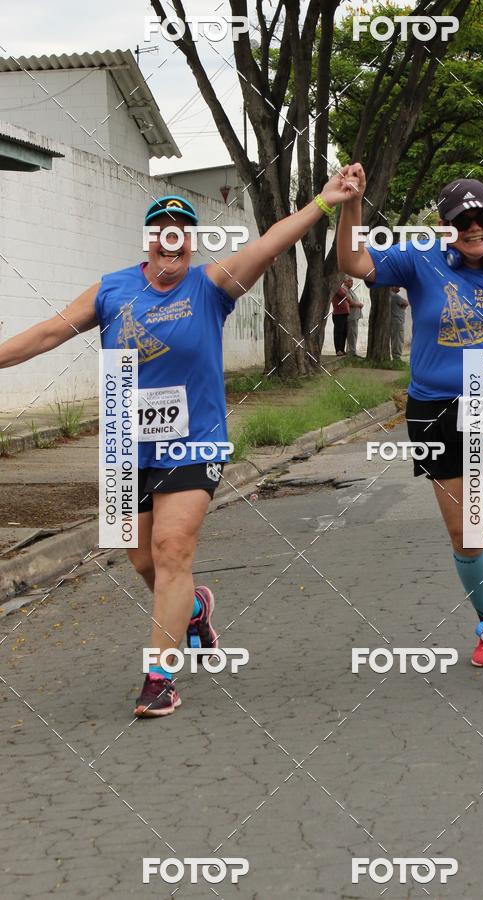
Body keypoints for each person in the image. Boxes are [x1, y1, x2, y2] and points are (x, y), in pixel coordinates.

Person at [0, 178, 355, 717]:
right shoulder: (111, 290)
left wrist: (325, 202)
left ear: (192, 241)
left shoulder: (210, 286)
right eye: (162, 231)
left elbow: (270, 244)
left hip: (194, 442)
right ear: (148, 241)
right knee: (141, 558)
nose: (172, 240)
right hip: (125, 448)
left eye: (182, 232)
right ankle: (193, 610)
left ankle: (159, 678)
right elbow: (50, 333)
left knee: (170, 550)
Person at [338, 166, 483, 681]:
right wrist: (352, 203)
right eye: (461, 221)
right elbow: (354, 261)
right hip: (437, 409)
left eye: (482, 218)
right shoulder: (419, 259)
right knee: (467, 532)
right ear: (445, 227)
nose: (473, 228)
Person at [344, 276, 364, 356]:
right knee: (352, 334)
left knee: (353, 334)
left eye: (352, 281)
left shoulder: (350, 290)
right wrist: (359, 304)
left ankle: (351, 351)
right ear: (345, 282)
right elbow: (350, 303)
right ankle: (352, 352)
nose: (352, 282)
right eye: (350, 281)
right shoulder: (345, 290)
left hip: (355, 316)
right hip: (351, 316)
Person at [331, 280, 350, 355]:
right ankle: (338, 350)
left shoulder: (341, 288)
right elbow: (345, 295)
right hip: (338, 314)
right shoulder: (337, 288)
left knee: (344, 332)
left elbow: (347, 296)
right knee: (339, 332)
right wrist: (347, 295)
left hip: (344, 314)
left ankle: (342, 349)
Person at [390, 286, 409, 359]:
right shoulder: (395, 296)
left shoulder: (390, 295)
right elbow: (406, 303)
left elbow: (404, 304)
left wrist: (403, 305)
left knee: (395, 339)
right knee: (398, 339)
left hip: (394, 321)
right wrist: (403, 305)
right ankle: (397, 357)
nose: (399, 288)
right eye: (397, 286)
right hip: (397, 321)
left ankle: (395, 355)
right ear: (393, 287)